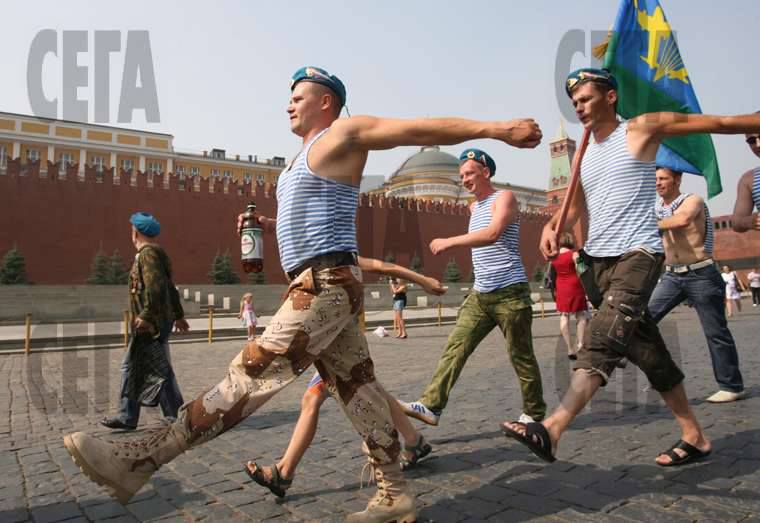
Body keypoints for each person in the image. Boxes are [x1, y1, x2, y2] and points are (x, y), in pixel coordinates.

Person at [63, 65, 542, 521]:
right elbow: (313, 217)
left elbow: (416, 129)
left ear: (325, 101)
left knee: (252, 371)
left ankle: (140, 458)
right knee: (358, 388)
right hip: (320, 282)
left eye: (298, 97)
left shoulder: (343, 134)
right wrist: (268, 225)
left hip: (325, 285)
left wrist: (497, 129)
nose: (288, 105)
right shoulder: (299, 160)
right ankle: (395, 493)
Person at [503, 68, 760, 467]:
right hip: (598, 262)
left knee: (602, 339)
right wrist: (552, 227)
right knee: (648, 351)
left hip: (638, 255)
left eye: (586, 99)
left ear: (610, 97)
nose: (578, 107)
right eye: (574, 102)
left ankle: (552, 428)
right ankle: (694, 436)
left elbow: (716, 122)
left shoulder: (640, 130)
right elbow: (574, 206)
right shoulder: (584, 151)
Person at [245, 256, 446, 498]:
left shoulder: (337, 256)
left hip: (341, 347)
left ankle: (284, 472)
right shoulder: (323, 260)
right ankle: (414, 440)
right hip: (335, 344)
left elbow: (382, 266)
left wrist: (422, 280)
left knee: (314, 399)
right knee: (370, 391)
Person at [400, 148, 546, 427]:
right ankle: (431, 405)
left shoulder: (504, 198)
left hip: (510, 292)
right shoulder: (473, 207)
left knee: (521, 355)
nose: (464, 180)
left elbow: (492, 234)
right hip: (481, 294)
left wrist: (449, 241)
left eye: (469, 174)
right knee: (455, 347)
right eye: (462, 176)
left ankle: (534, 413)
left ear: (486, 172)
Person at [647, 167, 745, 403]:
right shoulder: (656, 208)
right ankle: (662, 375)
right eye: (656, 179)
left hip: (700, 273)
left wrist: (645, 223)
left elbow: (682, 220)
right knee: (643, 320)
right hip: (671, 276)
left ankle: (731, 386)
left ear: (677, 179)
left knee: (715, 332)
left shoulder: (692, 200)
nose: (658, 183)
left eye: (663, 178)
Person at [100, 212, 189, 431]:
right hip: (158, 319)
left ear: (135, 232)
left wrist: (147, 315)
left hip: (151, 322)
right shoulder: (153, 254)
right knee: (155, 367)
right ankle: (173, 414)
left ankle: (130, 417)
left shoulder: (148, 255)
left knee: (133, 366)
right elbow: (169, 287)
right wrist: (178, 315)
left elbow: (156, 288)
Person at [550, 232, 588, 360]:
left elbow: (552, 273)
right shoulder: (574, 254)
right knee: (581, 315)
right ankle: (580, 344)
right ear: (570, 241)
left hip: (561, 287)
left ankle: (570, 349)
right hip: (575, 286)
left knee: (564, 316)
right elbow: (582, 269)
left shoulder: (554, 256)